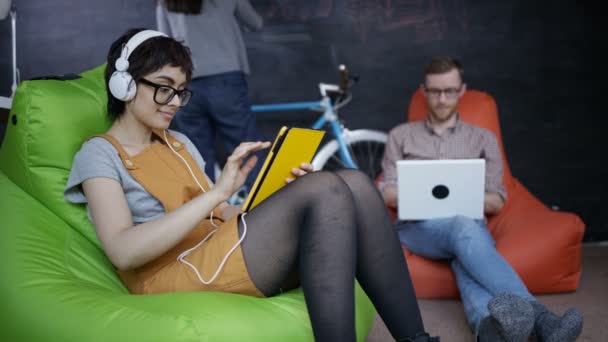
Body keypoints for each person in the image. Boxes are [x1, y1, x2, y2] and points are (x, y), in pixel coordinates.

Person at [63, 28, 439, 342]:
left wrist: (280, 201)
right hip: (173, 273)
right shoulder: (99, 153)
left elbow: (222, 213)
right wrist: (218, 192)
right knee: (325, 189)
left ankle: (416, 340)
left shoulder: (178, 143)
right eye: (164, 87)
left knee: (351, 184)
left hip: (219, 249)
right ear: (125, 85)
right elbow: (123, 251)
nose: (174, 102)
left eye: (180, 91)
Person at [378, 56, 583, 342]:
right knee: (464, 228)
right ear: (423, 91)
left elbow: (497, 200)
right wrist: (422, 191)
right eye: (435, 91)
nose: (441, 99)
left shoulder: (483, 139)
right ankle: (543, 319)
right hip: (417, 228)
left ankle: (490, 330)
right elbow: (386, 190)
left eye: (449, 91)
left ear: (462, 91)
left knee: (466, 256)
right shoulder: (401, 135)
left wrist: (462, 192)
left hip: (470, 229)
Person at [156, 0, 266, 201]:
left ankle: (208, 219)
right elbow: (256, 22)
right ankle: (264, 207)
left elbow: (166, 44)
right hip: (226, 80)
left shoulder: (165, 2)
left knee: (197, 157)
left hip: (187, 83)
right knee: (247, 147)